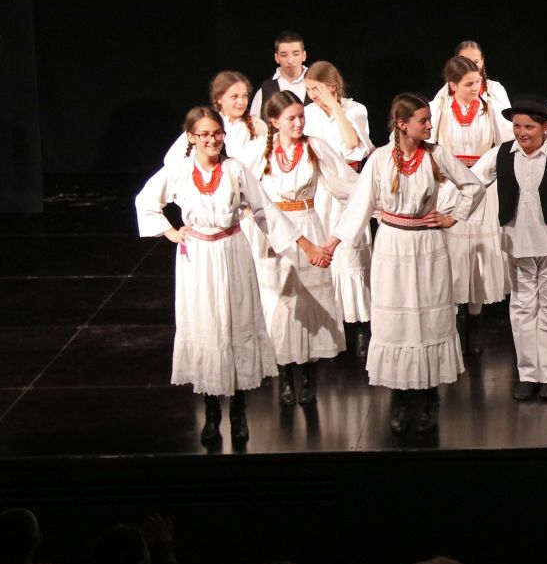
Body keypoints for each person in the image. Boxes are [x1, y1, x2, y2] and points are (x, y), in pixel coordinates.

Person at [137, 107, 327, 445]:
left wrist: (304, 244)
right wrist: (170, 232)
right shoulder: (179, 171)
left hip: (233, 251)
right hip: (198, 257)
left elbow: (266, 211)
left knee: (235, 324)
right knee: (208, 326)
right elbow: (146, 201)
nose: (212, 140)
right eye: (204, 134)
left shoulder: (235, 169)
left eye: (217, 133)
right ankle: (212, 413)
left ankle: (239, 413)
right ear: (192, 137)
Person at [325, 94, 484, 435]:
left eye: (429, 120)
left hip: (427, 244)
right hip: (393, 244)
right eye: (423, 121)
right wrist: (333, 243)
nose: (429, 126)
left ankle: (429, 396)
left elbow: (473, 185)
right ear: (402, 124)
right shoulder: (381, 159)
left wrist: (452, 217)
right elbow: (359, 204)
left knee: (429, 318)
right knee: (397, 322)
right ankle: (399, 396)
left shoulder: (436, 154)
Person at [242, 91, 359, 406]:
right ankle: (285, 376)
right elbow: (239, 187)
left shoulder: (315, 147)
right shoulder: (257, 151)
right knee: (279, 302)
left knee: (308, 301)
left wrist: (376, 204)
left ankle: (309, 376)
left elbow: (348, 184)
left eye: (301, 116)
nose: (298, 123)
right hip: (272, 232)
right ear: (274, 121)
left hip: (307, 225)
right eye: (290, 118)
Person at [472, 96, 547, 401]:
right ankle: (527, 373)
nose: (521, 132)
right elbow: (472, 182)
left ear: (544, 127)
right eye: (517, 126)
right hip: (518, 243)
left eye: (528, 127)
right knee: (522, 308)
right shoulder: (501, 154)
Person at [431, 55, 512, 357]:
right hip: (451, 186)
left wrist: (487, 173)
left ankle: (475, 322)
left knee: (478, 254)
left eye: (477, 82)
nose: (475, 88)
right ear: (452, 85)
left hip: (482, 187)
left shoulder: (489, 108)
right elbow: (425, 142)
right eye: (468, 84)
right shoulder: (440, 109)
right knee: (453, 255)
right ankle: (451, 322)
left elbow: (506, 143)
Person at [302, 61, 376, 357]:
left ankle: (361, 327)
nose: (312, 96)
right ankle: (333, 328)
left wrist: (334, 107)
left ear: (332, 87)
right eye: (309, 90)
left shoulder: (355, 110)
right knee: (327, 255)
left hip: (349, 187)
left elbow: (353, 145)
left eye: (317, 89)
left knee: (350, 253)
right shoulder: (307, 114)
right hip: (320, 189)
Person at [163, 71, 265, 164]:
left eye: (245, 96)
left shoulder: (257, 125)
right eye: (234, 97)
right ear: (219, 98)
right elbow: (171, 159)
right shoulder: (205, 124)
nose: (241, 102)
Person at [249, 30, 310, 118]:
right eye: (284, 55)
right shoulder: (265, 90)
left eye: (295, 54)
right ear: (276, 58)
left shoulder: (318, 84)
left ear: (304, 55)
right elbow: (254, 123)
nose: (290, 60)